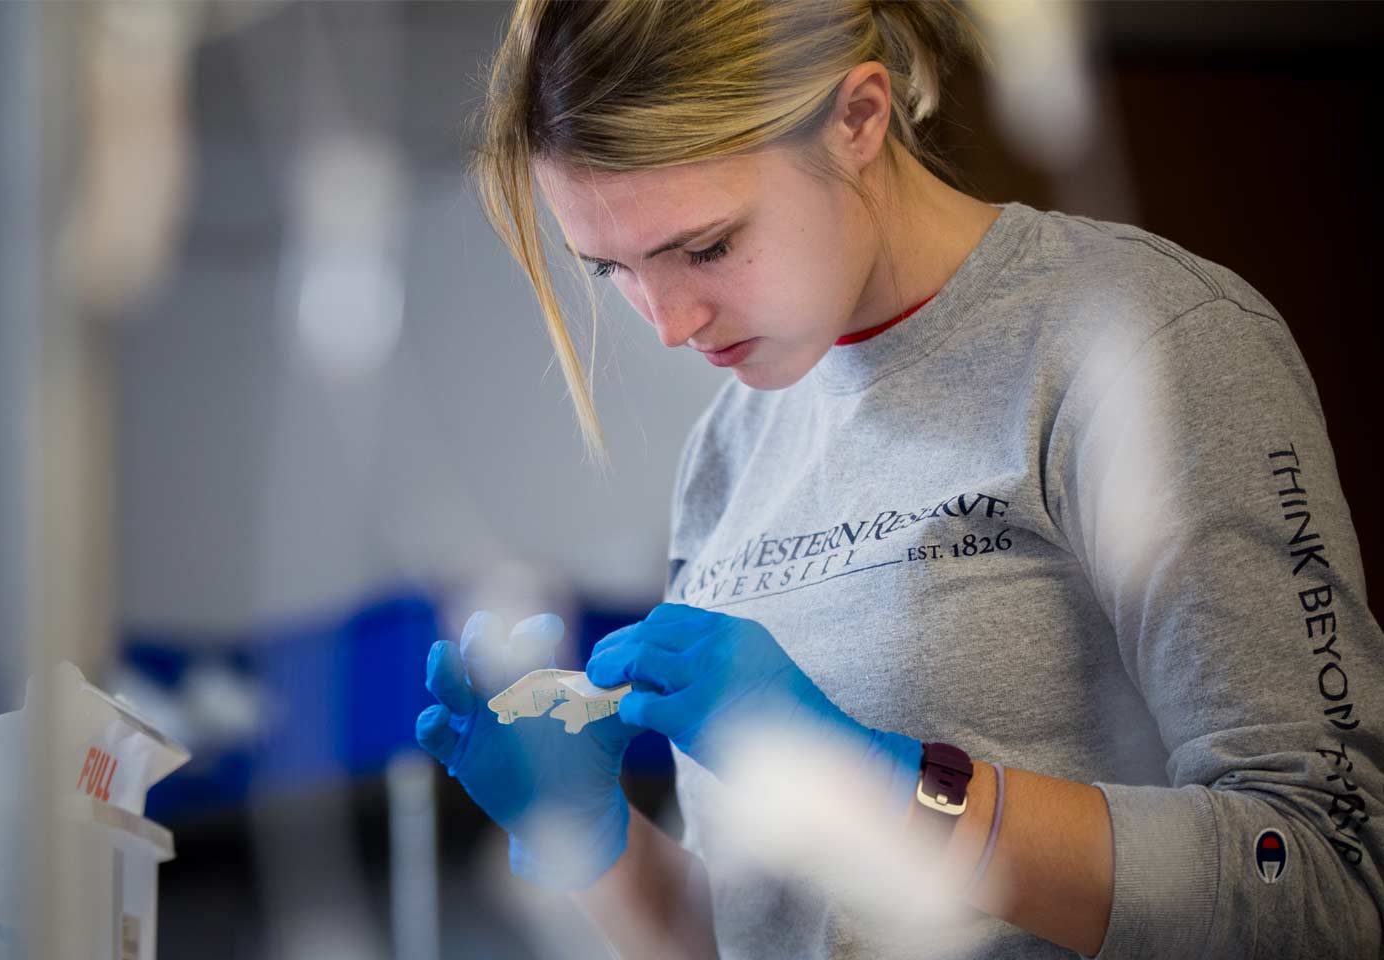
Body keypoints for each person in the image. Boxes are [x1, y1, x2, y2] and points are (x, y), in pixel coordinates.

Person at [412, 1, 1384, 957]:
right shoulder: (730, 449)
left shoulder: (1140, 343)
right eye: (606, 269)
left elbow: (1319, 882)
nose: (667, 323)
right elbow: (768, 934)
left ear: (857, 118)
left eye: (704, 246)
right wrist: (592, 842)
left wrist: (882, 786)